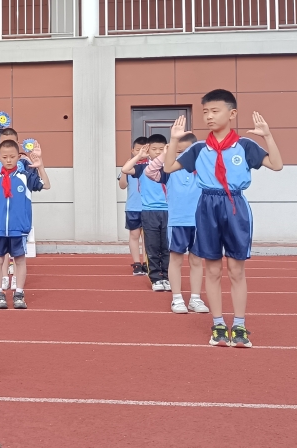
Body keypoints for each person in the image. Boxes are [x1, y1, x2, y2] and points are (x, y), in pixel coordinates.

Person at [164, 90, 283, 347]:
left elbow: (277, 164)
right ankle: (218, 324)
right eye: (205, 112)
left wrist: (268, 136)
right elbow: (168, 167)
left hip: (235, 205)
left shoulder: (245, 146)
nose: (209, 116)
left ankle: (239, 325)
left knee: (236, 270)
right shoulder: (198, 148)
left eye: (214, 111)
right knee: (213, 269)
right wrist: (173, 140)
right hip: (207, 205)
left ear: (232, 113)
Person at [0, 139, 49, 309]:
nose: (8, 160)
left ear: (18, 157)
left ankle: (19, 293)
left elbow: (46, 185)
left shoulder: (25, 177)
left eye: (12, 157)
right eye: (5, 157)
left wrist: (40, 165)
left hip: (18, 229)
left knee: (20, 260)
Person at [145, 135, 209, 314]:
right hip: (177, 222)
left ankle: (195, 298)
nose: (183, 155)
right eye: (178, 151)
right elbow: (149, 172)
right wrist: (165, 153)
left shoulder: (203, 170)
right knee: (176, 260)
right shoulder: (169, 170)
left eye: (187, 151)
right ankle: (177, 298)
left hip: (198, 222)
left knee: (196, 260)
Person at [121, 134, 170, 291]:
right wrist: (139, 156)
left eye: (161, 149)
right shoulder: (142, 168)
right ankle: (156, 278)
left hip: (169, 211)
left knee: (167, 247)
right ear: (148, 150)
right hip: (149, 211)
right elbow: (125, 169)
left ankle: (167, 276)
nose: (158, 152)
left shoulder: (169, 167)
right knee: (152, 246)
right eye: (154, 149)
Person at [118, 137, 148, 276]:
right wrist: (125, 171)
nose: (141, 152)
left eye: (144, 149)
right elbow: (122, 185)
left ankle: (147, 263)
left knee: (148, 237)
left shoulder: (153, 165)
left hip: (149, 207)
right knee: (134, 235)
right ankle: (137, 263)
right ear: (132, 150)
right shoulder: (129, 166)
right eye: (138, 150)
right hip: (133, 207)